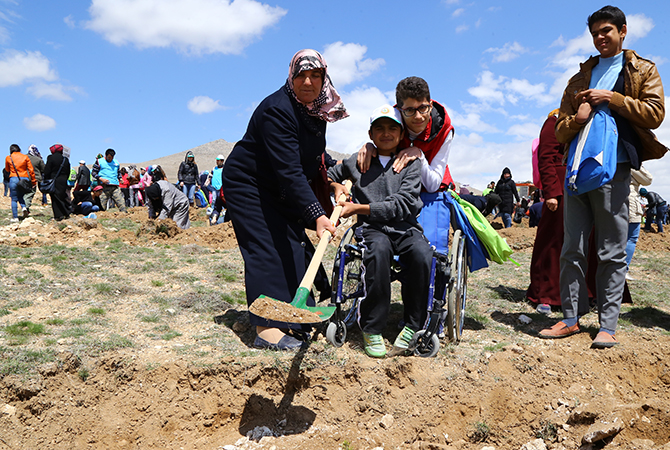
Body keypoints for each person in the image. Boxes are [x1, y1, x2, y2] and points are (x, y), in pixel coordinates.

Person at [540, 6, 666, 348]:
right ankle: (570, 319)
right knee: (572, 248)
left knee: (611, 249)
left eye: (607, 31)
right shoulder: (580, 76)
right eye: (595, 32)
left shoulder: (643, 69)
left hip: (616, 169)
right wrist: (578, 119)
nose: (600, 38)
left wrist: (614, 98)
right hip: (577, 171)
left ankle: (608, 325)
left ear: (623, 32)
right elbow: (560, 129)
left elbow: (655, 114)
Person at [222, 49, 348, 351]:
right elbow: (290, 170)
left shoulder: (315, 112)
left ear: (324, 79)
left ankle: (294, 318)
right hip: (250, 185)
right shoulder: (277, 110)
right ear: (290, 78)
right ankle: (267, 330)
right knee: (266, 249)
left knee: (294, 246)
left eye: (315, 76)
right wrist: (318, 214)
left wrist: (331, 182)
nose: (308, 82)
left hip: (279, 187)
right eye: (300, 75)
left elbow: (311, 156)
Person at [329, 105, 432, 358]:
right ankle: (372, 328)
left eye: (392, 128)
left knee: (422, 255)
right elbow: (330, 173)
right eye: (379, 128)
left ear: (401, 133)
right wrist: (335, 186)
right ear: (370, 133)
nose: (386, 133)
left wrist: (358, 207)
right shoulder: (357, 159)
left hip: (405, 226)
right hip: (372, 228)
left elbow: (403, 204)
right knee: (378, 252)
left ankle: (413, 325)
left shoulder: (410, 163)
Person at [357, 76, 455, 253]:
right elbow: (379, 138)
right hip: (397, 191)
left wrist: (419, 154)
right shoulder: (392, 122)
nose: (418, 116)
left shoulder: (444, 130)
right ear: (400, 110)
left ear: (431, 105)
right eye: (409, 110)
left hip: (429, 189)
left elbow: (432, 184)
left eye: (423, 108)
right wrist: (369, 145)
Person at [527, 111, 565, 312]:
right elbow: (546, 157)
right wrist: (551, 192)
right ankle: (546, 294)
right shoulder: (555, 121)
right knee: (552, 242)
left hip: (580, 188)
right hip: (560, 190)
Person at [626, 166, 652, 276]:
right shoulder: (628, 156)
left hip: (607, 200)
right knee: (631, 238)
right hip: (629, 203)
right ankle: (622, 270)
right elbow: (648, 179)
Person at [5, 144, 35, 222]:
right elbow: (31, 170)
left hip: (13, 178)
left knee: (14, 199)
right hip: (24, 179)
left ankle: (15, 218)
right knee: (21, 195)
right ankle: (24, 207)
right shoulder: (25, 157)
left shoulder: (9, 157)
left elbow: (7, 170)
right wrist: (33, 181)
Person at [43, 143, 71, 221]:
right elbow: (68, 171)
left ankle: (58, 215)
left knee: (55, 198)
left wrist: (46, 179)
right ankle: (65, 213)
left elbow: (47, 170)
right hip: (63, 180)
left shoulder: (51, 158)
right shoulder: (65, 159)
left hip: (54, 180)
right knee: (62, 196)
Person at [24, 144, 46, 214]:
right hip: (34, 178)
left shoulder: (23, 157)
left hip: (22, 177)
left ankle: (24, 206)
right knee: (30, 193)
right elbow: (44, 169)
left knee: (24, 192)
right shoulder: (38, 159)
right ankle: (26, 207)